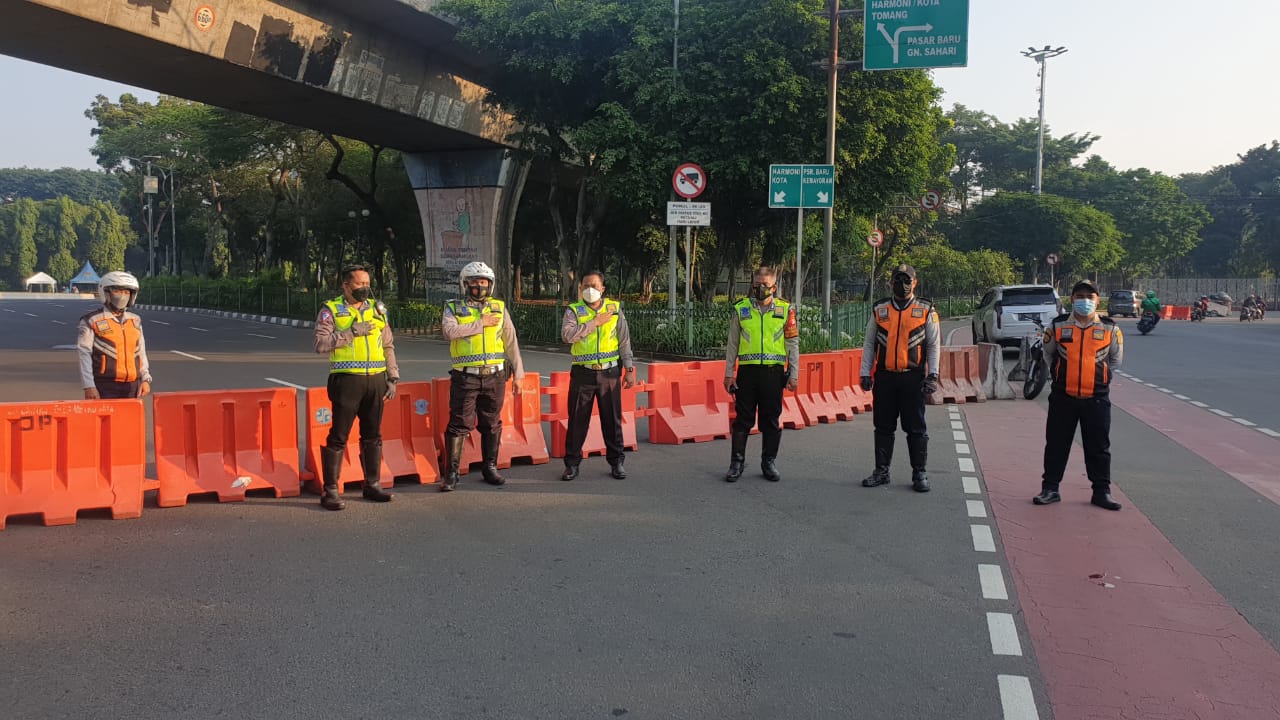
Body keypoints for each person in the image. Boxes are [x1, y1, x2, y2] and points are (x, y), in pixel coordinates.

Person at [312, 263, 400, 511]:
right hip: (347, 380)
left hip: (376, 379)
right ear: (346, 285)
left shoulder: (377, 310)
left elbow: (388, 345)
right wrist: (351, 332)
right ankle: (330, 491)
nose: (365, 288)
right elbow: (320, 344)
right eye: (360, 284)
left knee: (373, 434)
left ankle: (372, 484)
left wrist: (392, 377)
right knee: (339, 435)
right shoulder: (332, 310)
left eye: (367, 284)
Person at [1033, 279, 1124, 511]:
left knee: (1099, 447)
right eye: (1080, 296)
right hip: (1063, 397)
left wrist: (1099, 378)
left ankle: (1101, 491)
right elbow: (1048, 355)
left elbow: (1115, 361)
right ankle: (1050, 488)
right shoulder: (1058, 326)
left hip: (1097, 398)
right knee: (1056, 444)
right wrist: (1062, 374)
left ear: (1097, 301)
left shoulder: (1110, 328)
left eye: (1089, 297)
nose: (1085, 301)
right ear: (1071, 299)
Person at [440, 261, 526, 492]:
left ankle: (490, 467)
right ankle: (452, 473)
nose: (481, 286)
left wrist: (519, 372)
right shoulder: (453, 307)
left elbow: (510, 341)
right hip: (465, 376)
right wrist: (480, 324)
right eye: (476, 282)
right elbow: (449, 332)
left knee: (491, 423)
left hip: (495, 376)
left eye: (485, 282)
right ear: (465, 284)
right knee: (459, 423)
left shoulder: (498, 307)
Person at [859, 264, 940, 493]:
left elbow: (934, 345)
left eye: (907, 280)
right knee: (883, 426)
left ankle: (919, 473)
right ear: (890, 282)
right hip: (885, 377)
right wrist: (865, 373)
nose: (902, 284)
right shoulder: (880, 309)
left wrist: (933, 375)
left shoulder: (926, 309)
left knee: (916, 427)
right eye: (897, 279)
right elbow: (869, 344)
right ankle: (881, 471)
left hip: (913, 378)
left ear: (915, 282)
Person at [723, 266, 799, 483]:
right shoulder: (741, 309)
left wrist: (794, 373)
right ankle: (736, 462)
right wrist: (729, 373)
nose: (760, 288)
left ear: (774, 286)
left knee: (771, 420)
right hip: (747, 372)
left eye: (765, 285)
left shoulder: (785, 310)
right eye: (756, 285)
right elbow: (732, 344)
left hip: (773, 373)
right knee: (743, 419)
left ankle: (769, 462)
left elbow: (792, 343)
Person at [560, 271, 636, 481]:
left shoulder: (614, 309)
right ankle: (572, 464)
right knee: (577, 420)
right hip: (582, 372)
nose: (589, 289)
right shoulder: (574, 311)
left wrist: (629, 369)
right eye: (585, 286)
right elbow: (567, 336)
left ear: (603, 288)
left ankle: (617, 462)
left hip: (610, 372)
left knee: (612, 420)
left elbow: (624, 341)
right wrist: (594, 323)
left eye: (594, 285)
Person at [77, 271, 153, 399]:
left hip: (132, 386)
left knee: (131, 419)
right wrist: (89, 386)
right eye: (117, 291)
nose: (123, 296)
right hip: (104, 386)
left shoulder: (135, 321)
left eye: (127, 292)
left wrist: (145, 378)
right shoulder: (91, 320)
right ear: (106, 293)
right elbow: (84, 355)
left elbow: (141, 353)